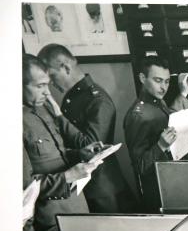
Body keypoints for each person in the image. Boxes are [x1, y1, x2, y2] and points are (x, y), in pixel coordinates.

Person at [37, 43, 135, 213]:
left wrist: (59, 116)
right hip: (82, 184)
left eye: (52, 76)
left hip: (102, 188)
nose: (51, 84)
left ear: (66, 67)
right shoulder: (74, 96)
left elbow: (91, 145)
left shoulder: (97, 100)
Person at [22, 54, 102, 231]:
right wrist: (66, 177)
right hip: (52, 219)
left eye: (47, 85)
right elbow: (24, 189)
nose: (47, 92)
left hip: (78, 206)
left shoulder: (43, 109)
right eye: (39, 86)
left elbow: (57, 153)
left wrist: (80, 154)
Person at [123, 56, 188, 213]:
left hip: (171, 179)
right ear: (142, 78)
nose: (163, 87)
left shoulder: (157, 101)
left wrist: (183, 95)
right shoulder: (138, 116)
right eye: (158, 80)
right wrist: (160, 146)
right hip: (157, 190)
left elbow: (166, 118)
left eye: (167, 81)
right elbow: (139, 166)